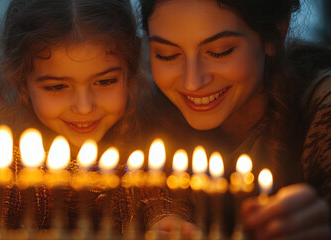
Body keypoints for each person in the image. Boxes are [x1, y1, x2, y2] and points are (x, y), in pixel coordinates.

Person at [0, 0, 168, 238]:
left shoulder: (145, 170)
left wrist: (169, 222)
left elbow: (162, 205)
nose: (84, 107)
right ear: (22, 85)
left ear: (130, 76)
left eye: (105, 81)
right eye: (57, 87)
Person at [139, 0, 331, 239]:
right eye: (167, 55)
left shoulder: (322, 115)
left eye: (220, 51)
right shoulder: (143, 121)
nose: (192, 82)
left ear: (274, 34)